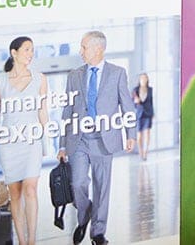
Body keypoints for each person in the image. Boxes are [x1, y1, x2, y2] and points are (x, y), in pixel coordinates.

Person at [57, 31, 136, 245]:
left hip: (104, 139)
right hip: (79, 139)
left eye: (84, 47)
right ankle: (84, 215)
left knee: (102, 188)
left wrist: (130, 134)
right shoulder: (74, 75)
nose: (80, 51)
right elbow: (67, 111)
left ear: (98, 49)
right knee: (77, 183)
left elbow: (127, 105)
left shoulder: (117, 73)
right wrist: (62, 145)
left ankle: (98, 232)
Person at [0, 37, 48, 245]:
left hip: (32, 140)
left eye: (32, 50)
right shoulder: (0, 82)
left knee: (30, 189)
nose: (30, 54)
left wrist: (46, 141)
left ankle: (32, 240)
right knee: (15, 194)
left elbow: (43, 112)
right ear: (14, 52)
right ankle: (22, 241)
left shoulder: (40, 79)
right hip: (9, 143)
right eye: (26, 49)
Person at [131, 73, 154, 161]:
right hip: (139, 114)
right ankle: (140, 152)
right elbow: (131, 102)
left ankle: (145, 152)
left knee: (147, 133)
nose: (143, 80)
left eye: (145, 78)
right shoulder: (135, 90)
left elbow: (151, 102)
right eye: (142, 78)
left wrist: (152, 113)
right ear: (139, 80)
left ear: (147, 80)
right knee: (139, 135)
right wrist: (135, 102)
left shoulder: (150, 90)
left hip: (148, 113)